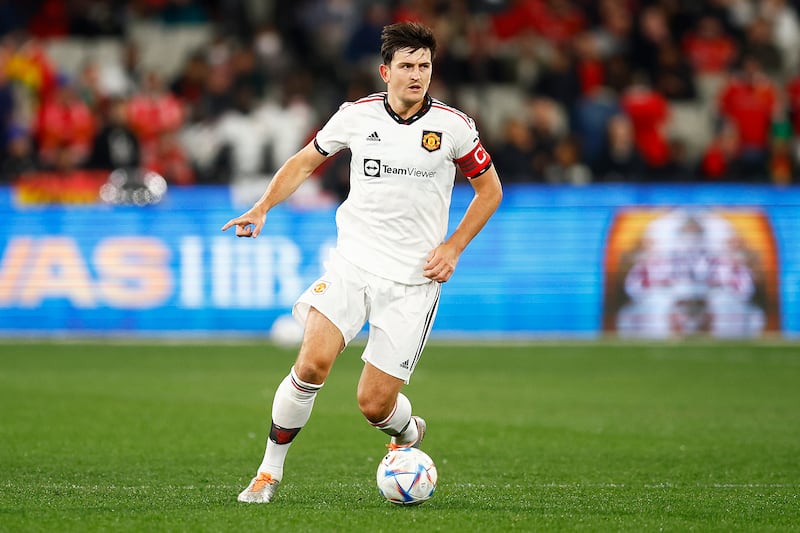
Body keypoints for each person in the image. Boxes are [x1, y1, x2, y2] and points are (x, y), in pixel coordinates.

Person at [222, 21, 503, 504]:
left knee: (374, 405)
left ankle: (406, 431)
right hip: (352, 265)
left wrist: (453, 247)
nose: (417, 75)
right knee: (311, 365)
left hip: (413, 282)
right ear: (385, 71)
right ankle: (268, 473)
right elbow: (305, 161)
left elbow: (490, 190)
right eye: (408, 66)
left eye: (425, 66)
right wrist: (263, 206)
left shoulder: (454, 127)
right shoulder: (356, 116)